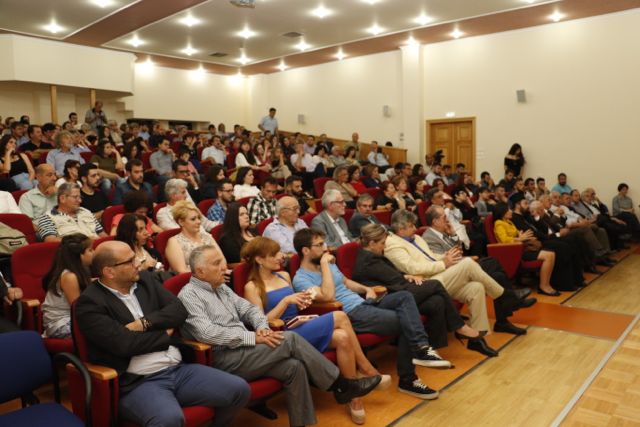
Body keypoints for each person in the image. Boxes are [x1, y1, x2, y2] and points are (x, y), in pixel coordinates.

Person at [178, 244, 379, 427]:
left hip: (246, 351)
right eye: (217, 264)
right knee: (290, 339)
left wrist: (261, 327)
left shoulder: (221, 288)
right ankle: (341, 386)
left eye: (222, 262)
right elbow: (207, 333)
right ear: (200, 272)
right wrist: (253, 337)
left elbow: (250, 310)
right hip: (223, 358)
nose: (224, 268)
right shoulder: (189, 296)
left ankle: (302, 423)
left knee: (294, 367)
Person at [75, 240, 250, 427]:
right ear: (109, 271)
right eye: (130, 261)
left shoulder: (145, 280)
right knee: (169, 419)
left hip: (178, 369)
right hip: (139, 381)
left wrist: (144, 323)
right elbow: (124, 344)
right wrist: (165, 334)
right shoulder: (89, 303)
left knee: (239, 389)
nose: (138, 264)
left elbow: (179, 310)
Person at [242, 237, 390, 423]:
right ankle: (366, 369)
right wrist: (285, 301)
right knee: (340, 316)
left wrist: (302, 301)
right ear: (259, 259)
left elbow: (295, 306)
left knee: (342, 337)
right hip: (284, 334)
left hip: (300, 324)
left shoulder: (284, 276)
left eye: (279, 252)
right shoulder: (252, 287)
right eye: (274, 254)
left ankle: (354, 398)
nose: (281, 256)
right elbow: (261, 323)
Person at [292, 228, 448, 399]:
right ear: (305, 251)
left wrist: (366, 289)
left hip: (365, 303)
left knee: (404, 296)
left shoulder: (329, 264)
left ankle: (422, 348)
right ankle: (409, 380)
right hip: (351, 313)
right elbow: (328, 296)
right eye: (319, 245)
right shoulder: (300, 279)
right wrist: (324, 265)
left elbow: (345, 282)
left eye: (324, 243)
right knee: (408, 322)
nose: (325, 248)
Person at [383, 210, 520, 353]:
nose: (415, 228)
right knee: (468, 263)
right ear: (400, 229)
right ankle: (505, 296)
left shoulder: (416, 238)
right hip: (425, 284)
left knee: (476, 287)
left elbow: (430, 256)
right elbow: (413, 268)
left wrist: (445, 256)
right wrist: (444, 263)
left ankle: (477, 340)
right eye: (411, 226)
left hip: (437, 275)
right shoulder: (393, 245)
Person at [354, 223, 491, 347]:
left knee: (436, 301)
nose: (384, 246)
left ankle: (434, 346)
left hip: (397, 288)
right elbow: (393, 279)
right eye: (382, 243)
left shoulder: (372, 255)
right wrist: (406, 277)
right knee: (435, 284)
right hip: (391, 295)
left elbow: (390, 274)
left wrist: (407, 275)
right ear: (372, 243)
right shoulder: (369, 260)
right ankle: (460, 327)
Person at [422, 206, 536, 335]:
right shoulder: (429, 238)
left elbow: (458, 252)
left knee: (497, 275)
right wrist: (464, 258)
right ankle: (511, 298)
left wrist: (453, 234)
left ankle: (503, 320)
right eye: (444, 217)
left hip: (460, 268)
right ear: (435, 221)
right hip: (452, 275)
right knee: (492, 262)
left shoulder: (443, 233)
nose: (447, 220)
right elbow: (445, 262)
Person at [493, 202, 560, 296]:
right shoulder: (499, 223)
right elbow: (504, 240)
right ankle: (543, 286)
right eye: (508, 210)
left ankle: (546, 284)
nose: (511, 211)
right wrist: (520, 238)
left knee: (551, 253)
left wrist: (523, 236)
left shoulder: (509, 222)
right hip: (513, 252)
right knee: (548, 256)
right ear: (503, 212)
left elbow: (518, 233)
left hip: (521, 248)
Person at [41, 234, 93, 338]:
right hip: (61, 324)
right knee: (105, 330)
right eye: (90, 250)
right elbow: (78, 309)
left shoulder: (79, 272)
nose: (94, 253)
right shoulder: (70, 277)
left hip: (71, 319)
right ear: (79, 255)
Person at [37, 183, 107, 242]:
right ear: (62, 198)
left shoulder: (86, 212)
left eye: (80, 197)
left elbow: (102, 235)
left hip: (98, 249)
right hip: (73, 252)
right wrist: (85, 241)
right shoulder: (47, 217)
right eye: (75, 197)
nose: (80, 201)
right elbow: (50, 241)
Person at [165, 201, 221, 273]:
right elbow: (182, 271)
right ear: (181, 222)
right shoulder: (174, 242)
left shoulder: (207, 236)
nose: (199, 222)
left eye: (199, 218)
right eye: (193, 219)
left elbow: (222, 261)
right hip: (192, 279)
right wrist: (211, 271)